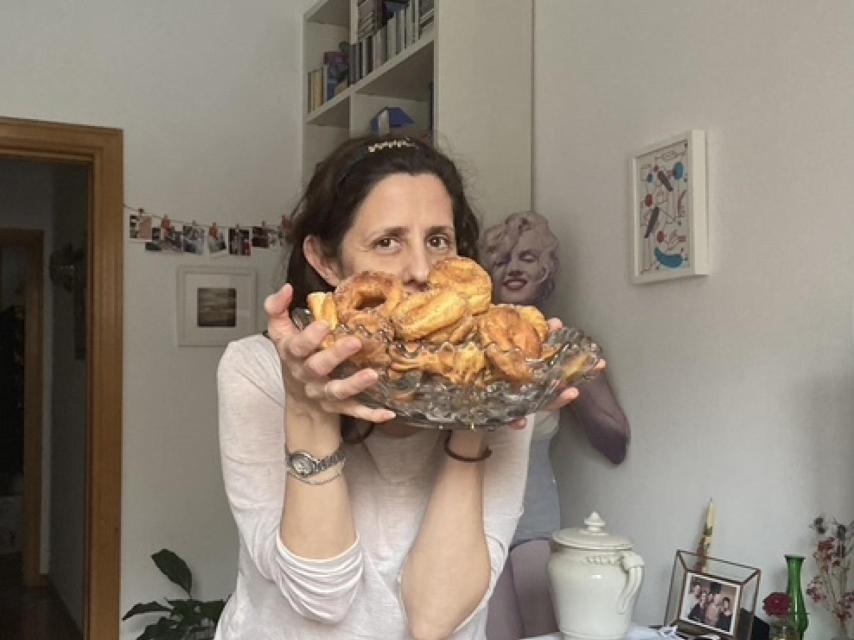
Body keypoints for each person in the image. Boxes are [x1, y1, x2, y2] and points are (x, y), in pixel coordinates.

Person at [214, 135, 582, 640]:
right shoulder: (256, 372)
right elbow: (320, 595)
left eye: (438, 241)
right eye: (387, 242)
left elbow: (435, 619)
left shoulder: (500, 374)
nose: (420, 271)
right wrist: (309, 411)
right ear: (325, 260)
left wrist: (476, 413)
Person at [480, 211, 631, 639]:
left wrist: (568, 382)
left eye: (527, 257)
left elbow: (616, 444)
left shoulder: (566, 346)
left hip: (535, 525)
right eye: (502, 258)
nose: (513, 269)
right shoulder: (467, 346)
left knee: (550, 632)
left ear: (545, 271)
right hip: (476, 522)